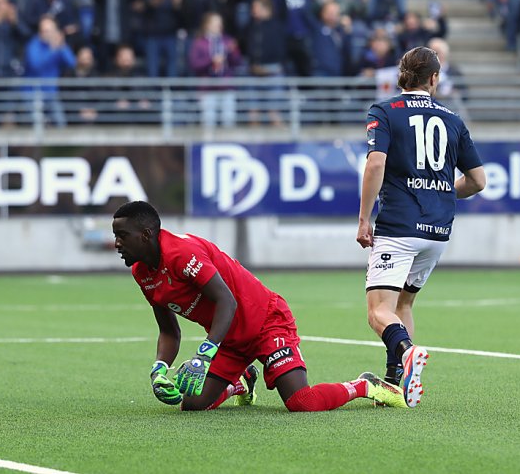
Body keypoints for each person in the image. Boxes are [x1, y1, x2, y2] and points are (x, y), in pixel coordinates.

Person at [112, 200, 408, 412]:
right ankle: (241, 380)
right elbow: (169, 332)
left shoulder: (181, 254)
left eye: (122, 236)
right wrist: (159, 368)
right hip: (228, 338)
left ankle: (364, 385)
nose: (116, 244)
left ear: (146, 235)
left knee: (301, 403)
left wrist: (203, 355)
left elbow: (226, 300)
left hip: (267, 322)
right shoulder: (142, 272)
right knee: (192, 403)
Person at [357, 46, 487, 406]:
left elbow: (375, 165)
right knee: (403, 305)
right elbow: (477, 181)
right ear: (434, 79)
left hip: (399, 226)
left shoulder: (384, 111)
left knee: (377, 311)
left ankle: (407, 352)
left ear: (402, 76)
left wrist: (364, 217)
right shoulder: (453, 119)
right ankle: (394, 384)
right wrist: (445, 193)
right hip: (438, 232)